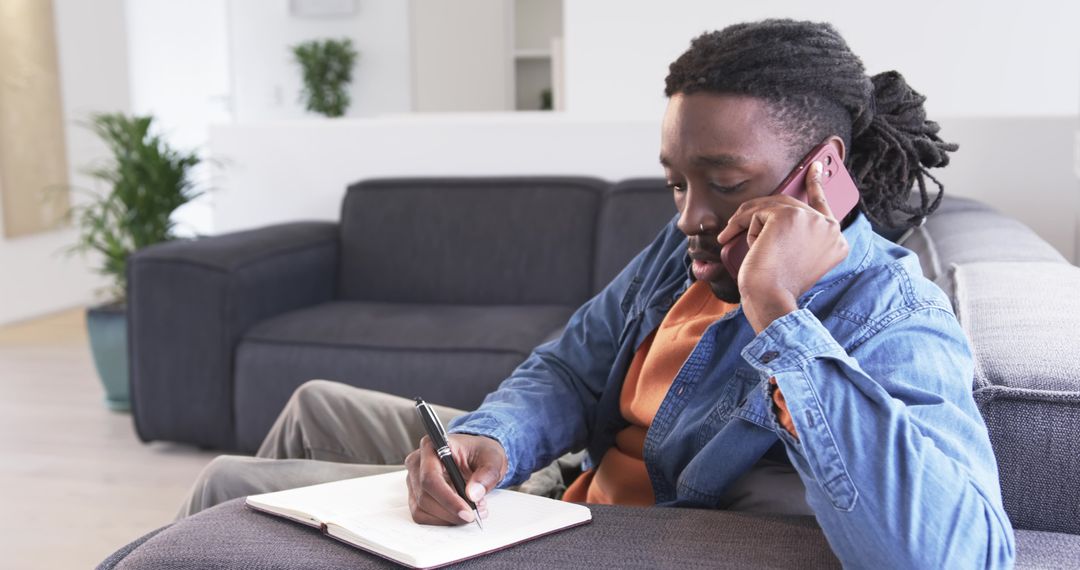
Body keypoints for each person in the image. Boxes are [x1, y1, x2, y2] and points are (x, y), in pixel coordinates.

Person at [180, 19, 1014, 568]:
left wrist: (779, 312)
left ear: (823, 172)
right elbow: (572, 371)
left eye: (722, 181)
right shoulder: (680, 252)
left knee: (226, 482)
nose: (690, 215)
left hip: (602, 535)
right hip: (552, 483)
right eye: (675, 181)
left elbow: (961, 555)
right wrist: (495, 440)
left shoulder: (891, 315)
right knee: (315, 402)